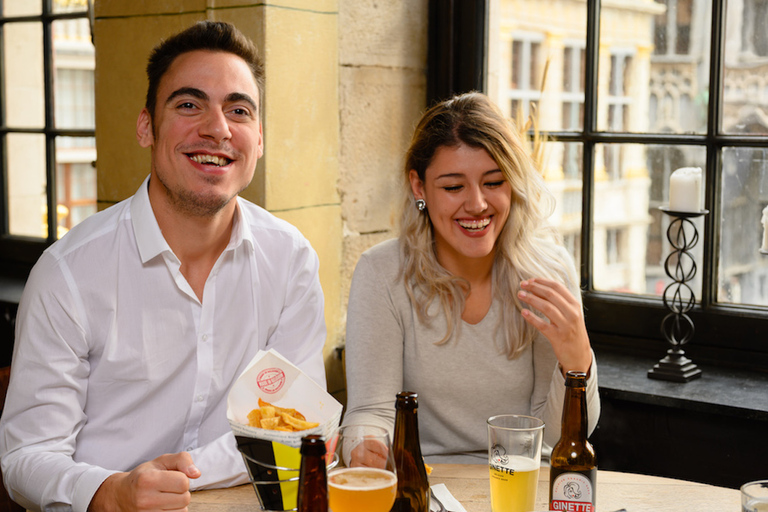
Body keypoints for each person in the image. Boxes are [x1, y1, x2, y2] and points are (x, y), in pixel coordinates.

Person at [0, 21, 327, 512]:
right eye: (189, 104)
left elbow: (299, 422)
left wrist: (185, 474)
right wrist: (111, 491)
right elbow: (27, 457)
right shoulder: (68, 273)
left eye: (238, 110)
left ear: (257, 139)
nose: (217, 129)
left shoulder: (291, 259)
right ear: (146, 127)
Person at [342, 92, 600, 464]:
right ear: (419, 187)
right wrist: (364, 447)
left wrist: (577, 359)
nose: (477, 204)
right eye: (452, 187)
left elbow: (559, 439)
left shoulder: (549, 268)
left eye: (494, 182)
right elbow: (371, 413)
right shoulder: (382, 272)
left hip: (521, 486)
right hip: (424, 488)